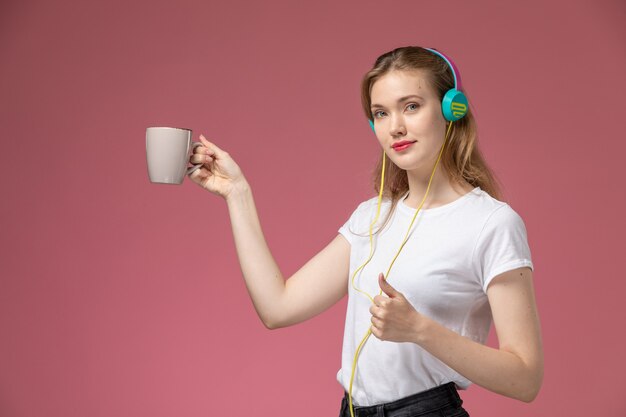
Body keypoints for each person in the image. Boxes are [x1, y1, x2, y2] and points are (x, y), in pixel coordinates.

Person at [187, 46, 543, 417]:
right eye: (381, 113)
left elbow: (526, 378)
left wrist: (420, 329)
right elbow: (277, 307)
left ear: (452, 107)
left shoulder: (491, 223)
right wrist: (237, 193)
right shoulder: (370, 218)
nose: (395, 127)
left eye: (411, 106)